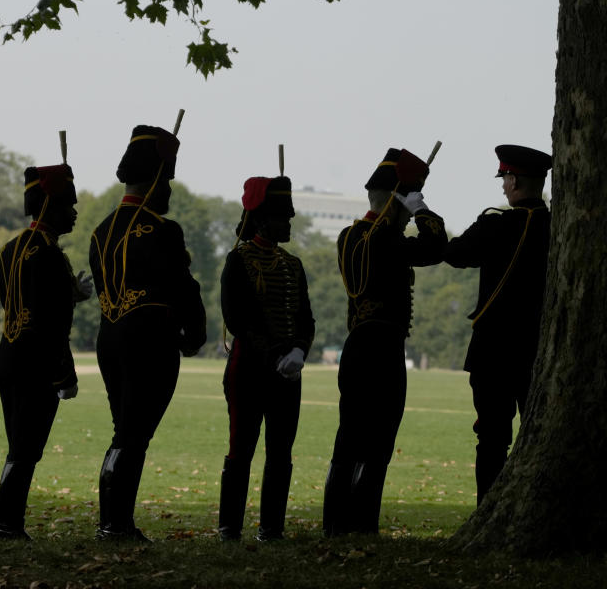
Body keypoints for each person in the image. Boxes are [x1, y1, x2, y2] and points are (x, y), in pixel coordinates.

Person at [89, 125, 207, 541]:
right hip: (150, 343)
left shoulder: (100, 230)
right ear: (156, 178)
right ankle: (115, 524)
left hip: (111, 339)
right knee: (133, 435)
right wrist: (194, 334)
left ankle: (113, 521)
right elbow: (183, 288)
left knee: (124, 430)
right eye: (168, 179)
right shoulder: (163, 230)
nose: (170, 189)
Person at [322, 148, 446, 536]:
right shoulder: (387, 240)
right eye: (406, 203)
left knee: (349, 436)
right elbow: (435, 246)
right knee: (378, 442)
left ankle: (335, 523)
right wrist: (422, 209)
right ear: (396, 200)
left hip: (357, 346)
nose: (410, 215)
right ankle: (361, 524)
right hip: (382, 348)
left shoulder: (350, 235)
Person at [443, 145, 552, 505]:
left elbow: (456, 254)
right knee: (541, 434)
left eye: (505, 178)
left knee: (491, 438)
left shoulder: (496, 223)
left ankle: (487, 507)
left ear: (514, 179)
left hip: (493, 350)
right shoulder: (554, 227)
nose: (504, 186)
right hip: (539, 347)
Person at [0, 164, 91, 540]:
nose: (74, 211)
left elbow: (19, 302)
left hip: (8, 352)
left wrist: (70, 293)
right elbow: (51, 324)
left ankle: (8, 523)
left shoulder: (10, 248)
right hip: (35, 360)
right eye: (68, 204)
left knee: (18, 442)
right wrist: (64, 375)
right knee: (25, 447)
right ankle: (8, 525)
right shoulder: (49, 254)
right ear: (49, 204)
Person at [217, 175, 315, 542]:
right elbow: (237, 318)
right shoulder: (238, 261)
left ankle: (271, 527)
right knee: (240, 449)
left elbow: (306, 318)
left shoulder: (293, 264)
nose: (288, 223)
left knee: (280, 453)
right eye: (281, 217)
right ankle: (229, 527)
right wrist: (276, 353)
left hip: (288, 372)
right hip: (249, 369)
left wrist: (299, 350)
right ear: (261, 219)